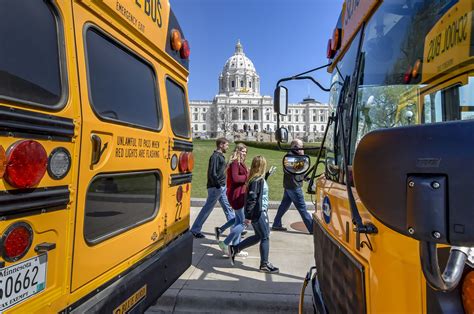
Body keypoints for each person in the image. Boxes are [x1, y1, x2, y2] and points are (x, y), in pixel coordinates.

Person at [228, 156, 279, 274]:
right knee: (265, 237)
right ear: (262, 166)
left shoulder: (256, 179)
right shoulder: (257, 180)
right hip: (259, 213)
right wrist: (248, 217)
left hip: (258, 212)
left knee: (258, 236)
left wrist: (267, 175)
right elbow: (252, 199)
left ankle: (235, 249)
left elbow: (256, 193)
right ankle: (264, 264)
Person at [190, 138, 235, 238]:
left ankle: (235, 228)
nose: (228, 147)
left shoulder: (220, 156)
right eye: (226, 145)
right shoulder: (215, 156)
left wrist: (229, 163)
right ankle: (194, 230)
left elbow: (221, 171)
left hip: (221, 187)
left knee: (228, 208)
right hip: (216, 187)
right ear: (221, 145)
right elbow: (212, 173)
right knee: (207, 209)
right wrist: (218, 185)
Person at [271, 139, 313, 233]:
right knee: (302, 208)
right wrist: (302, 155)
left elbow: (299, 171)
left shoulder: (294, 156)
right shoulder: (289, 157)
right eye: (300, 146)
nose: (302, 148)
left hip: (289, 186)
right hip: (293, 187)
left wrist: (307, 178)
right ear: (294, 147)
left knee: (284, 206)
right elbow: (295, 169)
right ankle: (312, 228)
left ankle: (276, 224)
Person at [216, 144, 249, 257]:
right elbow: (235, 178)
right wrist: (248, 177)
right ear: (237, 151)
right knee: (242, 223)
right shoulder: (235, 163)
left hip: (238, 194)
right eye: (242, 151)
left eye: (245, 152)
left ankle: (235, 248)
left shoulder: (239, 163)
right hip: (236, 196)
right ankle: (225, 243)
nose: (244, 153)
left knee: (237, 221)